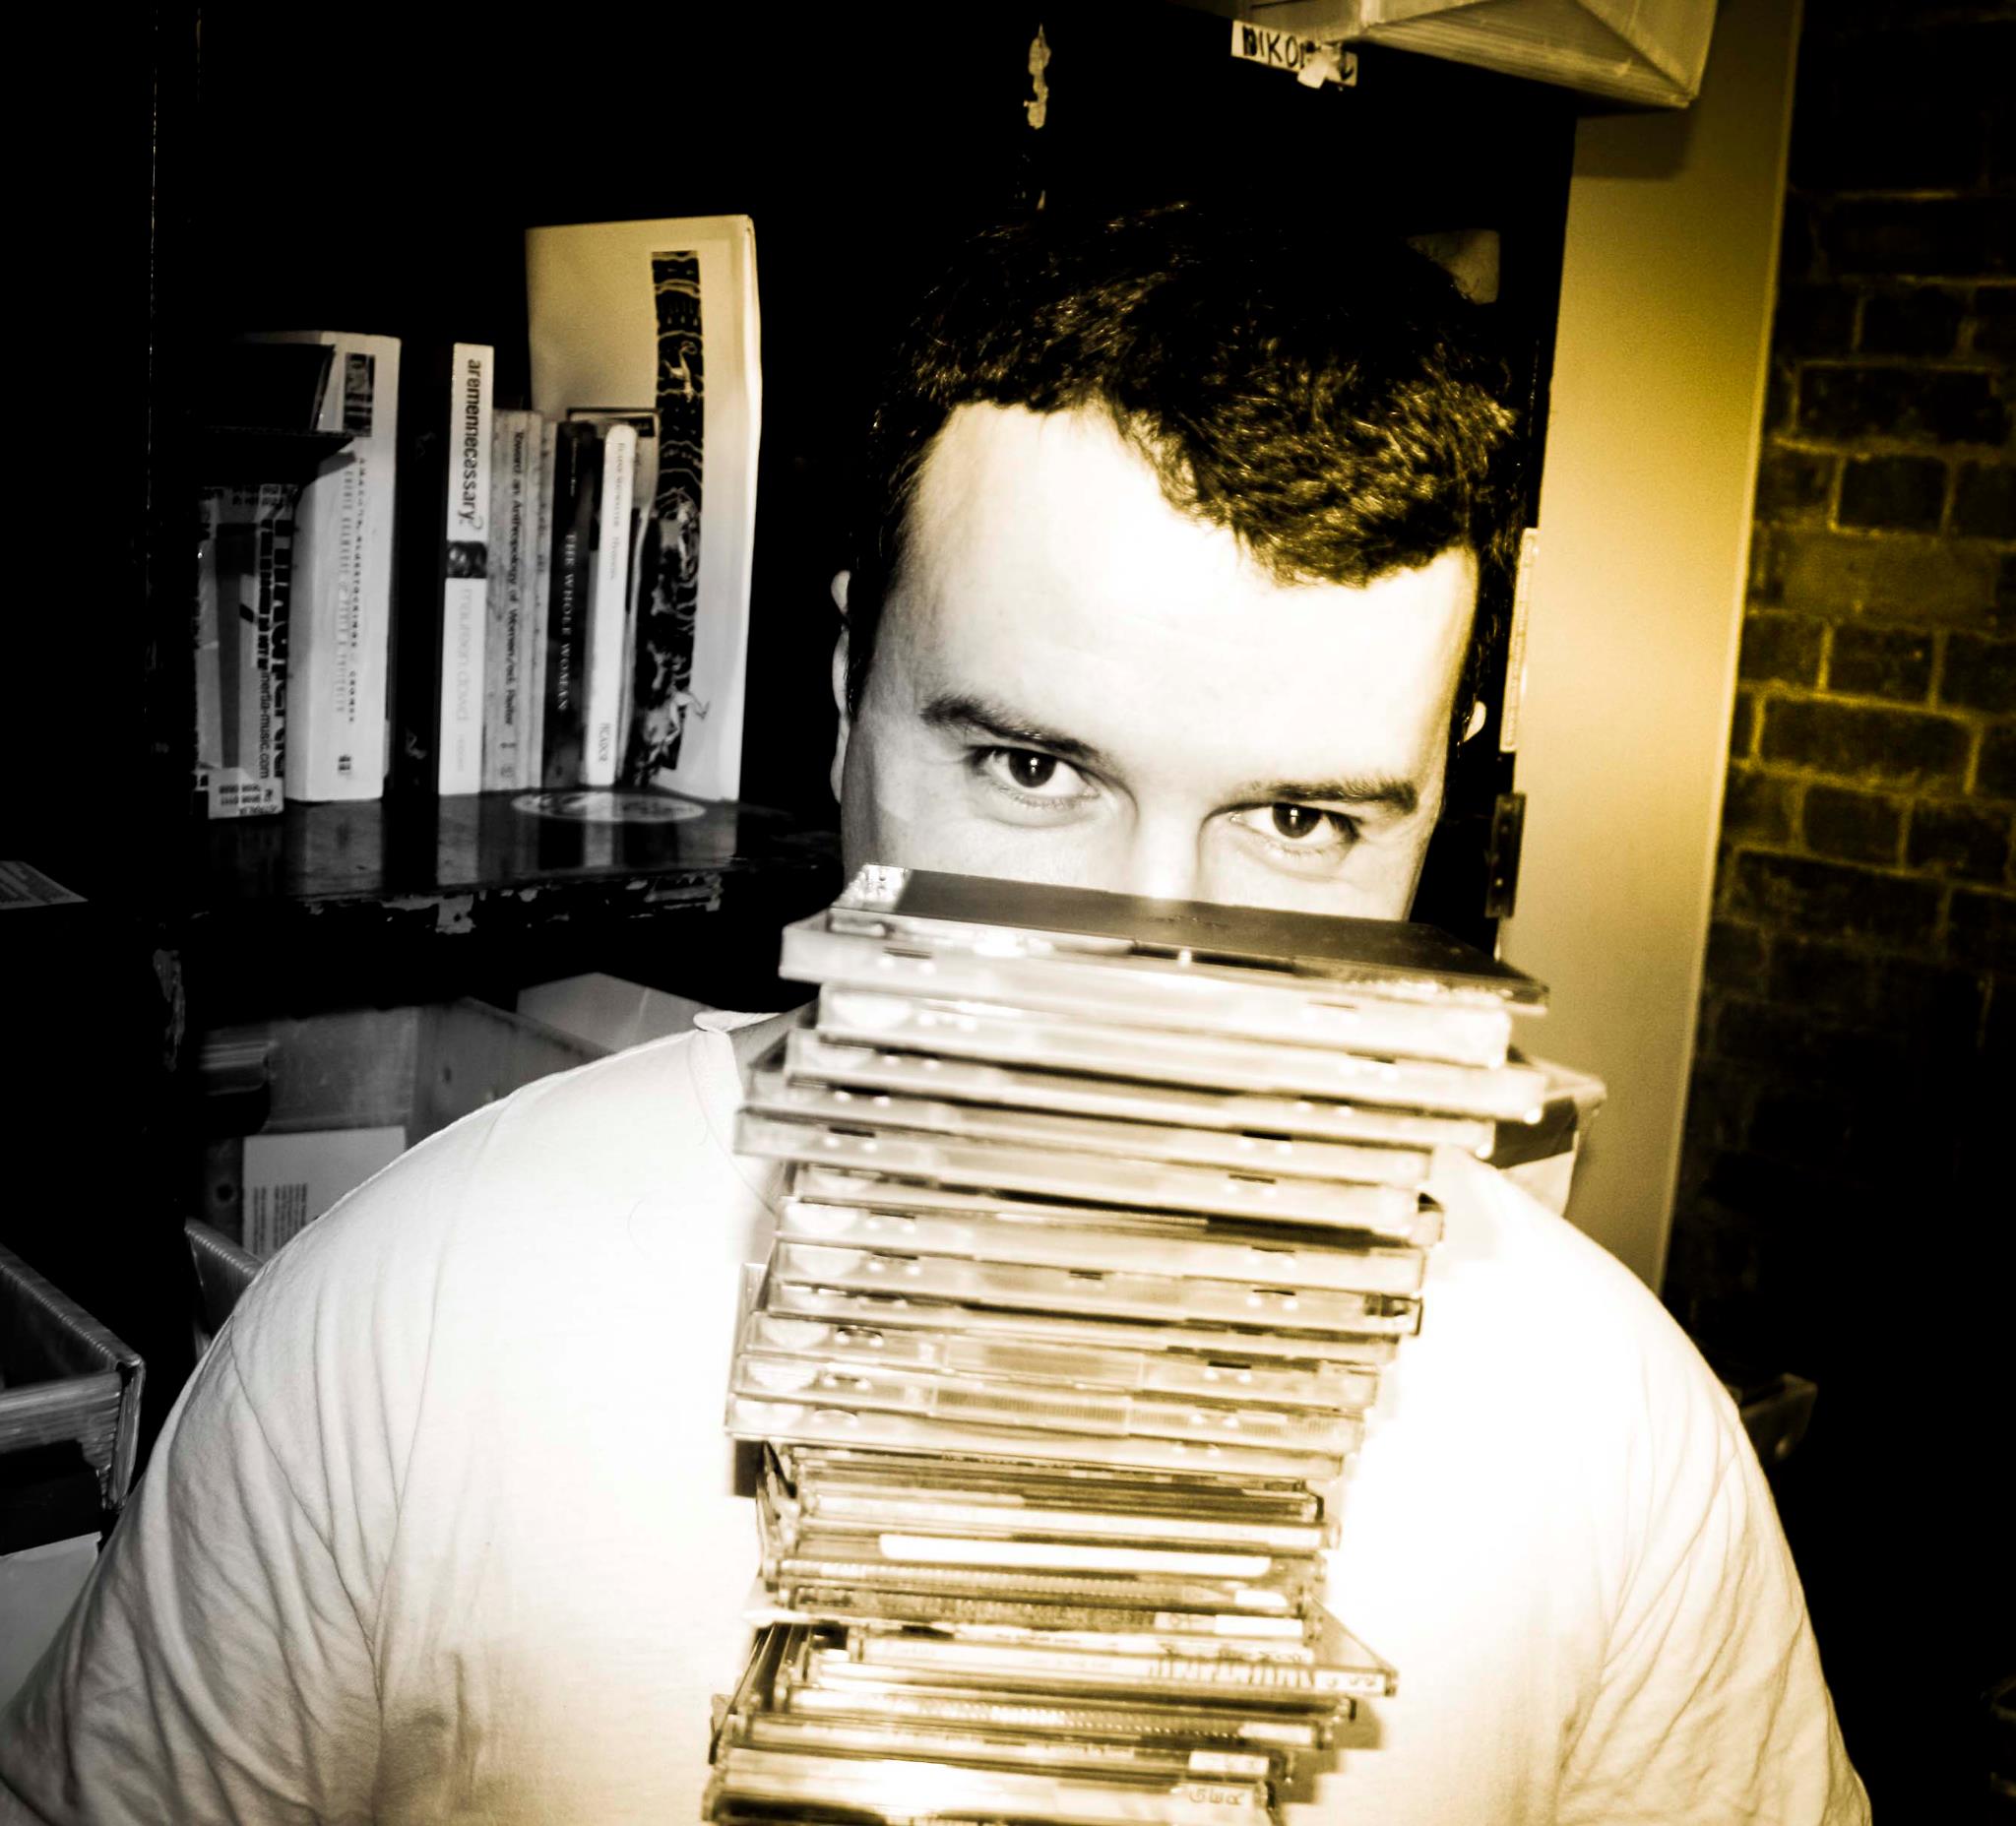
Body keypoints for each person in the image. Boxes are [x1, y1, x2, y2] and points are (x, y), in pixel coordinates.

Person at [0, 204, 1867, 1823]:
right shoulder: (404, 1332)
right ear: (844, 691)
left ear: (1441, 795)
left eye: (1299, 822)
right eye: (1033, 769)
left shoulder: (1620, 1441)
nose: (1140, 970)